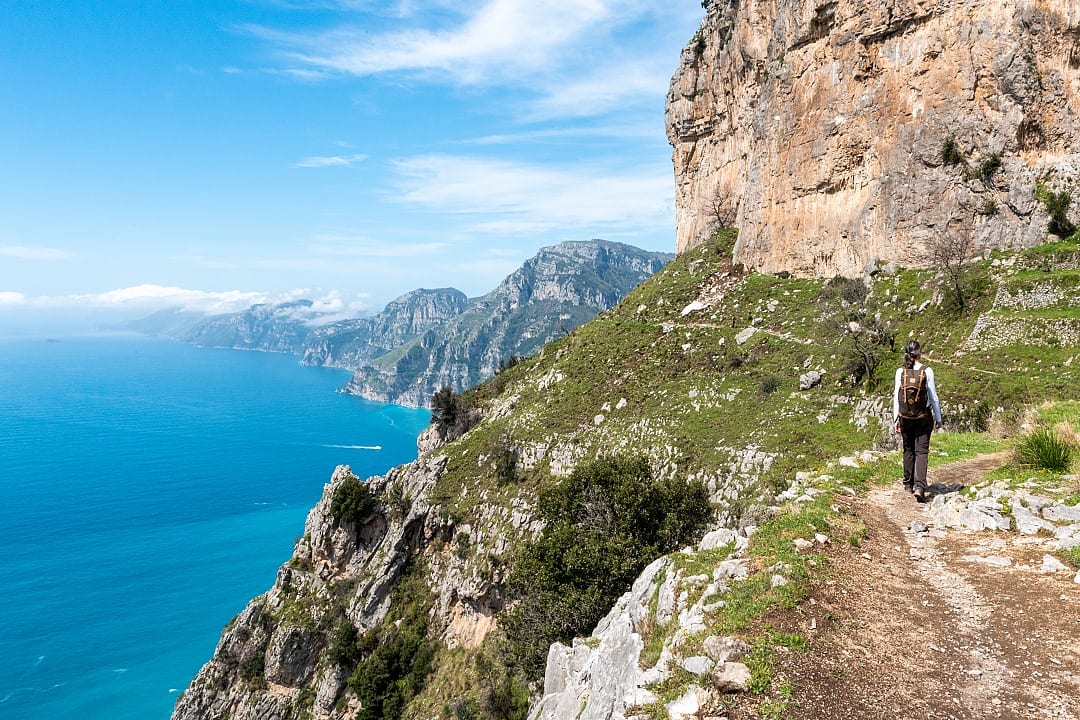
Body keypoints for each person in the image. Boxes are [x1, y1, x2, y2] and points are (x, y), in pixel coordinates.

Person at [892, 340, 943, 502]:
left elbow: (896, 396)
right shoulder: (927, 371)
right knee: (921, 451)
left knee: (908, 449)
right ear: (920, 353)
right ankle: (920, 486)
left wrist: (895, 418)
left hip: (905, 416)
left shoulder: (900, 372)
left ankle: (908, 483)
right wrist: (939, 418)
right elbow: (933, 397)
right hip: (923, 416)